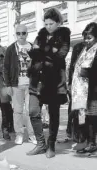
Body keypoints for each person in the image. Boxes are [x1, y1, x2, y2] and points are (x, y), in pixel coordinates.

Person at [26, 8, 70, 157]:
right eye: (46, 23)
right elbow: (36, 53)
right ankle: (40, 144)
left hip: (54, 82)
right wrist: (44, 51)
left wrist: (42, 51)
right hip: (36, 80)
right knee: (33, 111)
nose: (48, 26)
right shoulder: (40, 35)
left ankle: (51, 145)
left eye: (51, 23)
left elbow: (60, 55)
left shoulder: (64, 36)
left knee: (53, 114)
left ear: (58, 23)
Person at [68, 22, 97, 157]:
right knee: (88, 119)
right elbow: (75, 67)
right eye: (85, 38)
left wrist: (89, 73)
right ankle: (91, 144)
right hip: (84, 92)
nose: (86, 41)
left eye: (90, 38)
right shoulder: (84, 50)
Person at [3, 24, 37, 145]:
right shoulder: (11, 49)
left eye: (23, 33)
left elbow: (39, 66)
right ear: (15, 34)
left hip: (30, 85)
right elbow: (5, 68)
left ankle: (32, 135)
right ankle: (19, 134)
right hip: (16, 85)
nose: (21, 36)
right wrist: (8, 85)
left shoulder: (33, 47)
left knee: (30, 111)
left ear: (27, 34)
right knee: (17, 111)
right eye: (18, 33)